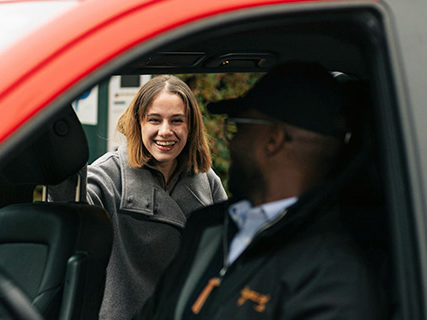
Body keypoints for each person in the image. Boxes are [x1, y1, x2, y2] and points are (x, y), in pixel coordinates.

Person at [136, 61, 384, 319]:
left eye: (239, 127)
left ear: (273, 140)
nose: (231, 143)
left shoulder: (332, 272)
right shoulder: (209, 227)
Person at [87, 75, 227, 320]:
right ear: (138, 123)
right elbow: (69, 208)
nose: (166, 131)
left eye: (176, 121)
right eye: (154, 120)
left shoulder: (207, 180)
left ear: (190, 127)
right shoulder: (108, 176)